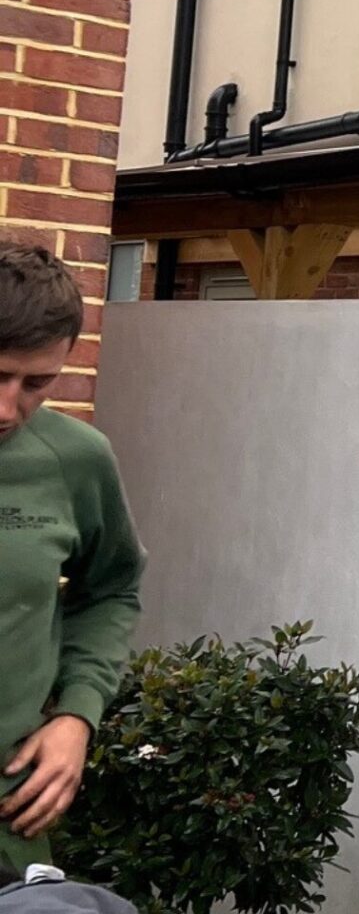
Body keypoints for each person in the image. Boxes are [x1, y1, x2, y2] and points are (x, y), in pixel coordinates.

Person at [0, 243, 143, 871]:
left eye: (37, 383)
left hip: (8, 815)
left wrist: (77, 716)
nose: (7, 409)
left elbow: (111, 588)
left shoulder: (76, 459)